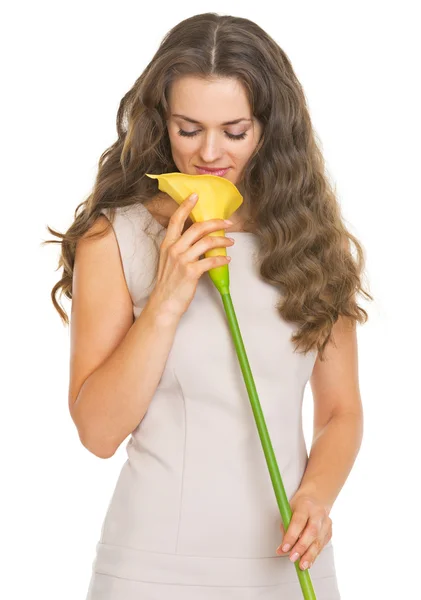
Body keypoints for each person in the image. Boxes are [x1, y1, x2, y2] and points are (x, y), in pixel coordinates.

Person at [45, 12, 372, 599]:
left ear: (269, 127)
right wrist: (168, 296)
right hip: (151, 569)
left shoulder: (312, 243)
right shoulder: (114, 238)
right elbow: (96, 432)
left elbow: (340, 412)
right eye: (188, 129)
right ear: (160, 124)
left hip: (287, 564)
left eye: (235, 130)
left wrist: (316, 498)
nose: (210, 152)